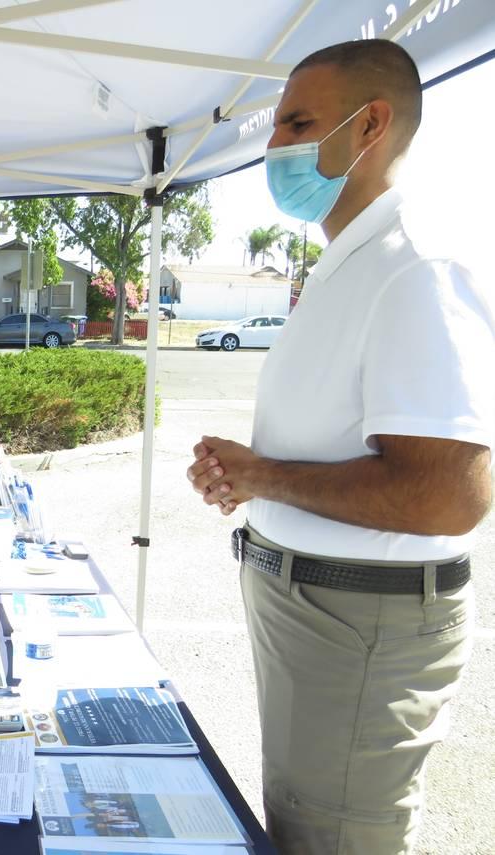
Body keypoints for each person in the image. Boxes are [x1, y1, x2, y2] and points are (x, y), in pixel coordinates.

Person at [186, 40, 493, 854]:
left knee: (334, 837)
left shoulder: (416, 265)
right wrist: (252, 480)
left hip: (360, 618)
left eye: (297, 122)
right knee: (302, 825)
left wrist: (266, 476)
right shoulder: (351, 261)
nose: (276, 144)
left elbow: (446, 494)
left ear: (372, 126)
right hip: (321, 609)